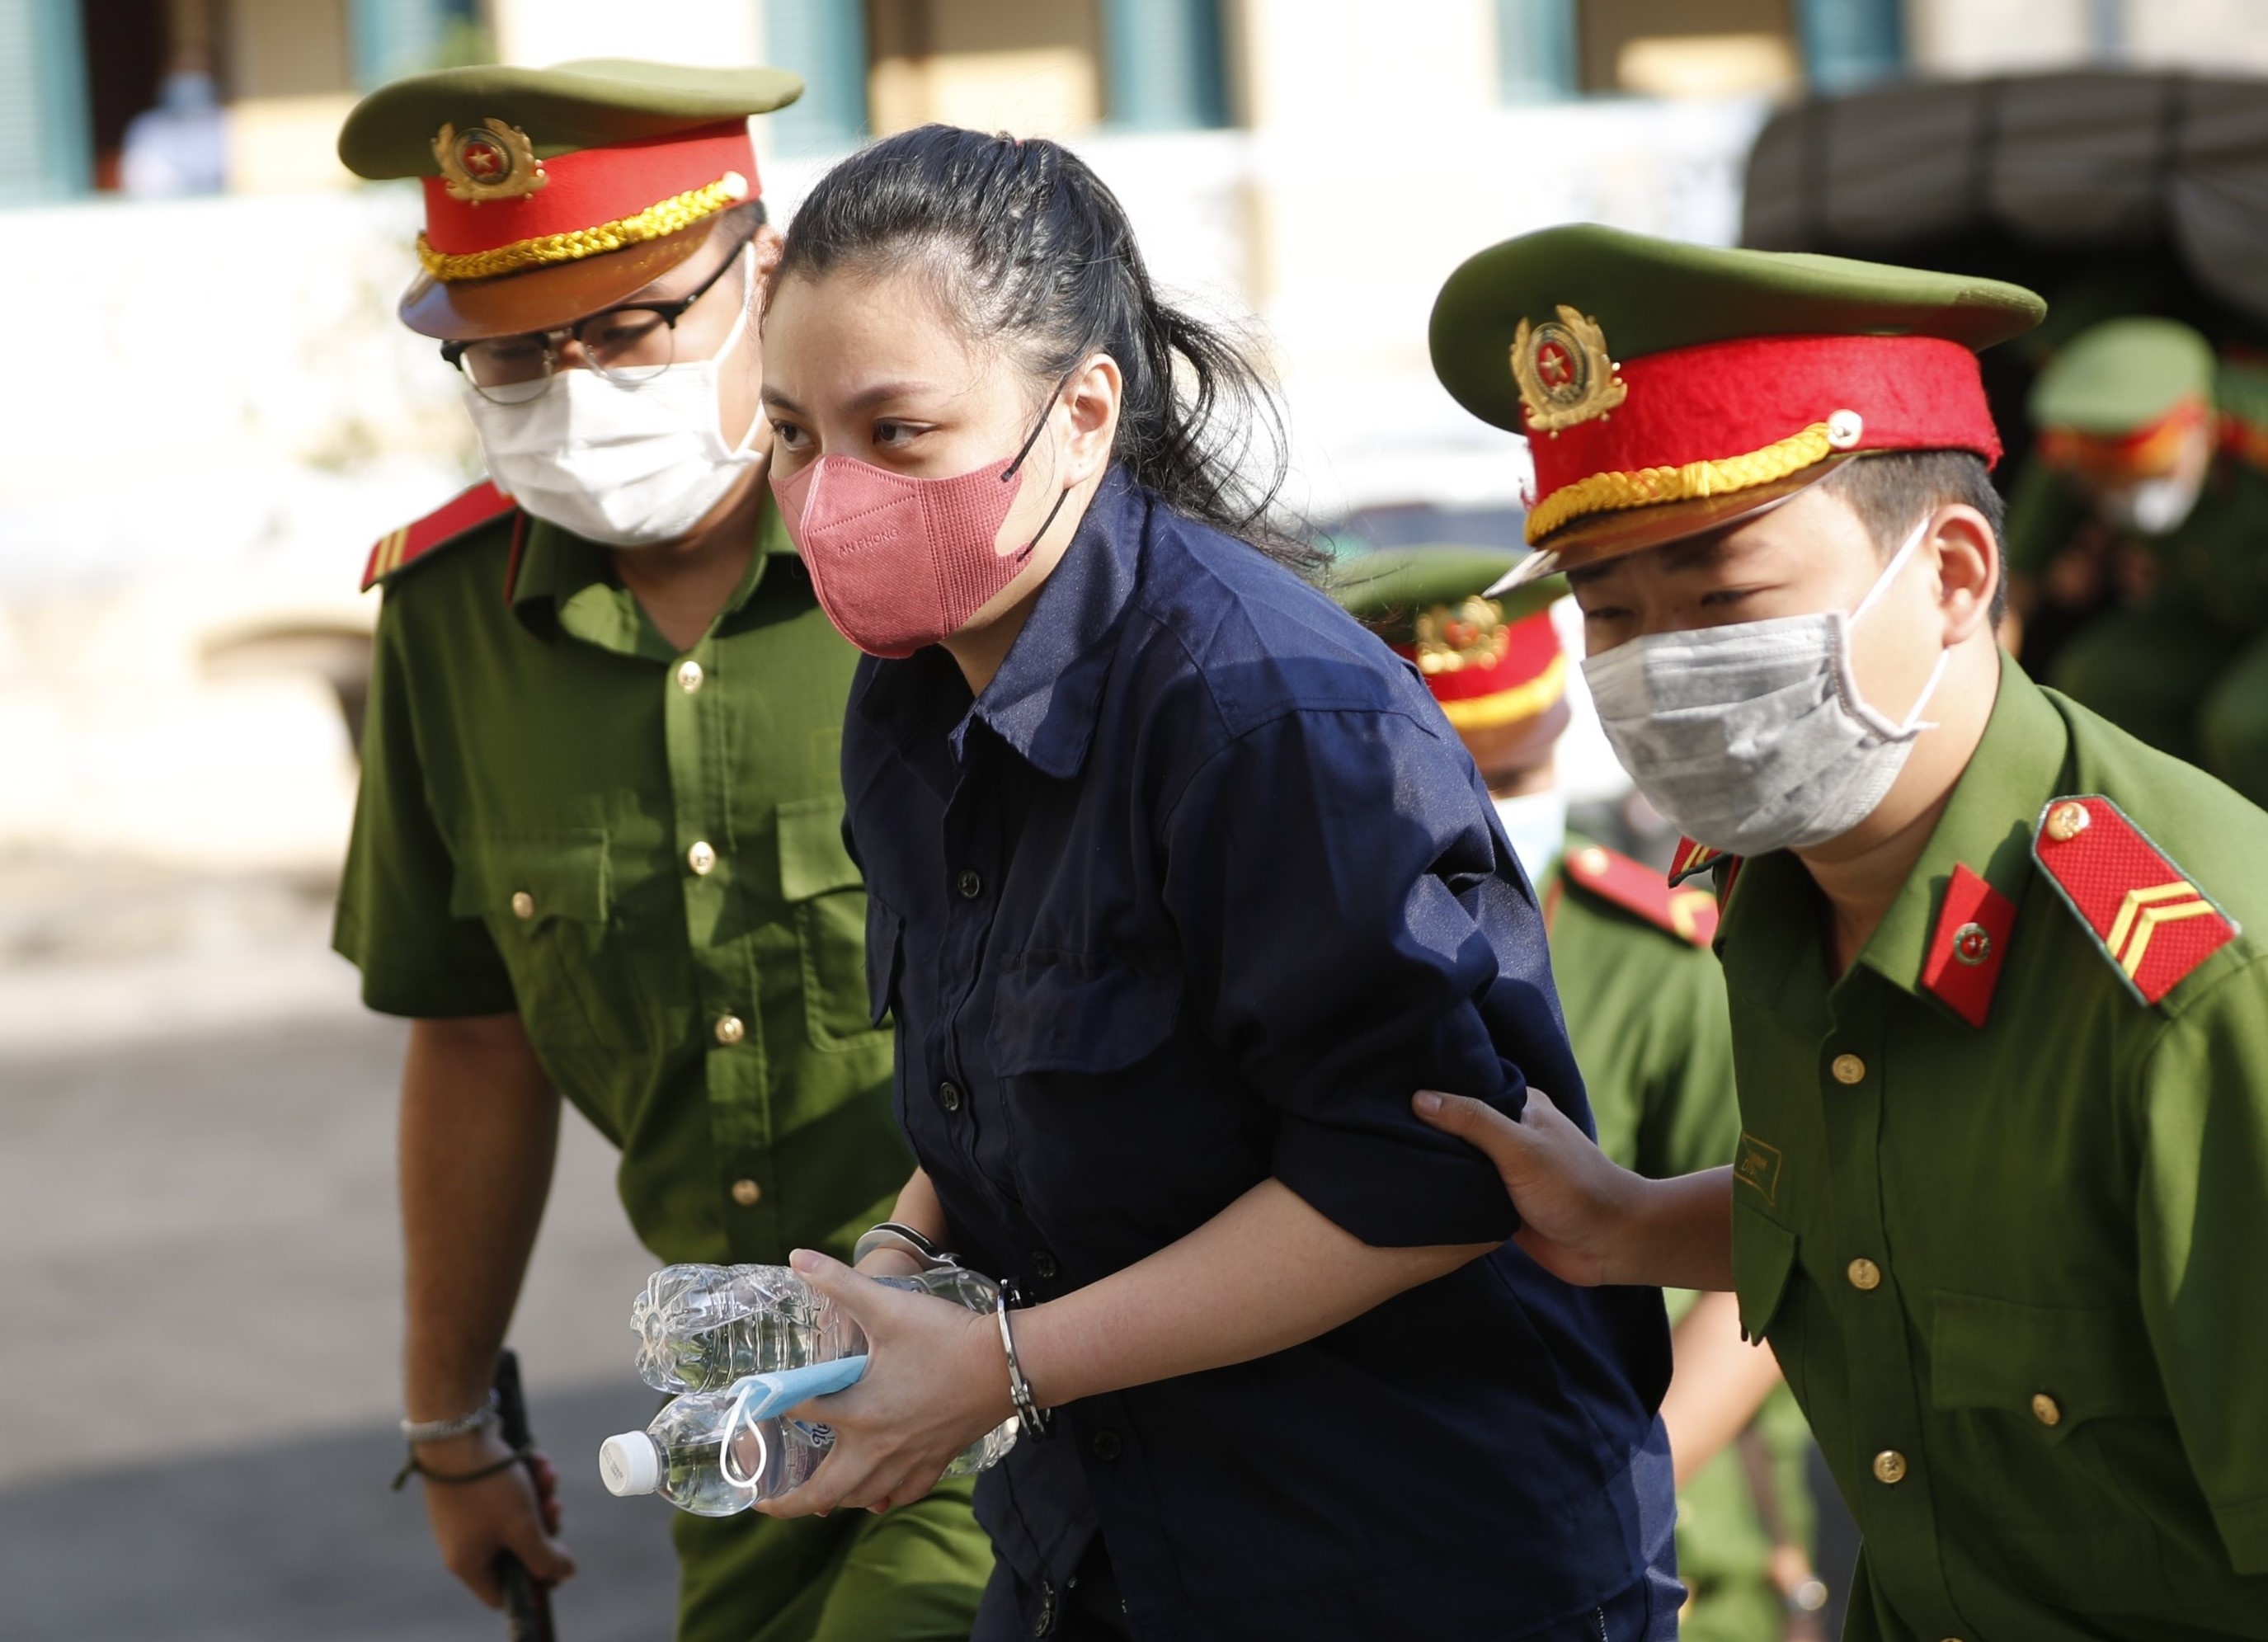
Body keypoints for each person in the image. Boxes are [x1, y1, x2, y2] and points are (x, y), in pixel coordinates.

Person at [750, 128, 1681, 1641]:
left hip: (1402, 1566)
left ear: (1081, 415)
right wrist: (903, 1264)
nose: (830, 494)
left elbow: (1419, 1174)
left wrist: (1001, 1365)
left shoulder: (1265, 713)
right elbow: (1005, 1069)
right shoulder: (909, 697)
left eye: (897, 431)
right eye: (794, 434)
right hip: (1100, 1549)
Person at [1417, 223, 2268, 1640]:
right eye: (1610, 611)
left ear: (1953, 573)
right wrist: (1630, 1223)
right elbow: (1908, 1220)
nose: (1661, 667)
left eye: (1722, 597)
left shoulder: (2188, 985)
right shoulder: (1782, 886)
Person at [330, 62, 992, 1642]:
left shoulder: (948, 554)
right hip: (741, 1404)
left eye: (628, 328)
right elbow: (476, 1040)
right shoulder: (449, 620)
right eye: (510, 352)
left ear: (765, 273)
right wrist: (452, 1427)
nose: (572, 390)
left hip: (1012, 1358)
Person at [1337, 547, 1825, 1640]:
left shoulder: (1658, 961)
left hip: (1654, 1541)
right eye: (1454, 777)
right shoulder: (1301, 964)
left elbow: (1779, 1249)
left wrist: (1607, 1488)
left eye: (1516, 779)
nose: (1490, 817)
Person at [2002, 316, 2268, 802]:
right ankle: (2164, 828)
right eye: (2106, 483)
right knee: (2099, 682)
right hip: (2213, 606)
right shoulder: (2080, 448)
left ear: (2197, 425)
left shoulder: (2255, 432)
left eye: (2147, 472)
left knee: (2244, 725)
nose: (2124, 494)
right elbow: (2014, 588)